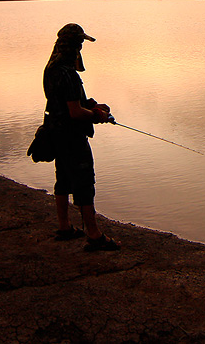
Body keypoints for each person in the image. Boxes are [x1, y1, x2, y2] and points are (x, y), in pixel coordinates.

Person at [43, 22, 120, 251]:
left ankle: (65, 227)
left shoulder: (52, 68)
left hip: (54, 131)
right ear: (73, 45)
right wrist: (97, 116)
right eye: (80, 43)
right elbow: (75, 112)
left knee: (63, 179)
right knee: (84, 183)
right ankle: (94, 236)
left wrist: (94, 106)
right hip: (71, 136)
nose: (81, 48)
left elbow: (69, 102)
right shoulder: (68, 74)